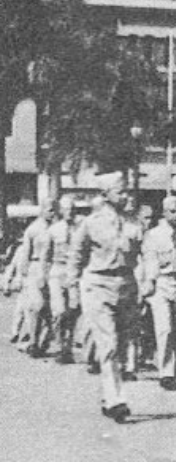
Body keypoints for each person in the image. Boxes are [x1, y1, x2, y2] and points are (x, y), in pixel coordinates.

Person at [68, 172, 143, 422]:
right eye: (120, 191)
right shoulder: (91, 223)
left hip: (125, 286)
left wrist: (145, 283)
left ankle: (107, 394)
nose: (125, 195)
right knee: (108, 344)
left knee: (120, 345)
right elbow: (76, 257)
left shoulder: (134, 224)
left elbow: (143, 256)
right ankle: (116, 400)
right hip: (98, 285)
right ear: (105, 195)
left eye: (126, 191)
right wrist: (72, 289)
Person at [142, 195, 176, 391]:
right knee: (165, 329)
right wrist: (149, 285)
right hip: (161, 283)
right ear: (163, 212)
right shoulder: (154, 235)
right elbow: (151, 261)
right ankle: (166, 373)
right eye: (172, 211)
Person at [15, 198, 57, 357]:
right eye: (49, 210)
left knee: (51, 309)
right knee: (37, 306)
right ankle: (33, 341)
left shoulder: (56, 228)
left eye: (54, 210)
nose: (52, 213)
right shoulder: (32, 229)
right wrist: (20, 276)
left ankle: (41, 343)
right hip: (34, 267)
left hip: (52, 267)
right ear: (42, 210)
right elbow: (24, 255)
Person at [48, 196, 81, 364]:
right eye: (66, 209)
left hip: (73, 272)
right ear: (61, 210)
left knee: (73, 311)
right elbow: (46, 256)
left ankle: (68, 348)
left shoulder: (80, 229)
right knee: (59, 311)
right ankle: (60, 346)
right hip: (57, 270)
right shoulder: (54, 230)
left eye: (72, 209)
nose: (70, 212)